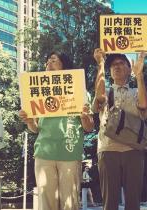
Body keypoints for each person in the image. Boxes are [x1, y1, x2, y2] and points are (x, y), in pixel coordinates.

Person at [19, 52, 94, 210]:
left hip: (70, 153)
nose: (48, 63)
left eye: (54, 60)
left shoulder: (81, 92)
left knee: (70, 203)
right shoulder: (38, 93)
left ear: (64, 66)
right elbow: (35, 129)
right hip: (44, 154)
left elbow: (89, 127)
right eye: (47, 61)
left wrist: (85, 117)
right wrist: (29, 120)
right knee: (46, 204)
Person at [92, 48, 147, 210]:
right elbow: (99, 98)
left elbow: (144, 106)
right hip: (107, 149)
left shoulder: (137, 91)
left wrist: (139, 75)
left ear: (129, 68)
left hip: (133, 150)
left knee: (133, 201)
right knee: (109, 202)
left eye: (121, 63)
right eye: (113, 65)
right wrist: (101, 64)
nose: (117, 66)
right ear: (109, 71)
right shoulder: (106, 91)